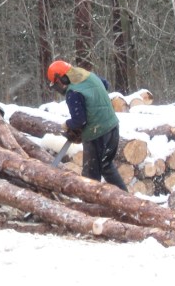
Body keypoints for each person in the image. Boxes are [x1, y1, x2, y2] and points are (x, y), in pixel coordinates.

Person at [46, 59, 127, 191]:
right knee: (106, 166)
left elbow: (79, 120)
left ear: (61, 78)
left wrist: (67, 125)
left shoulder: (73, 93)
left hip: (97, 134)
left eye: (57, 84)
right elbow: (105, 84)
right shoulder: (89, 76)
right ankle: (126, 199)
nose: (58, 87)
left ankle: (89, 202)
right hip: (112, 126)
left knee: (90, 176)